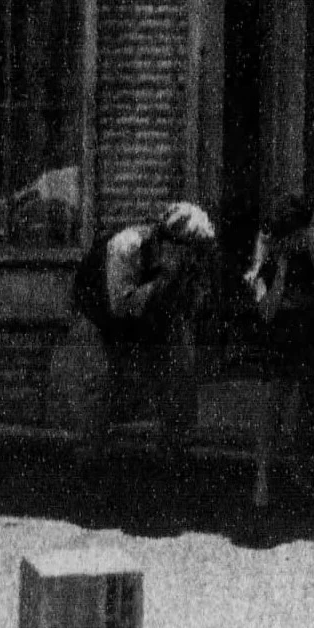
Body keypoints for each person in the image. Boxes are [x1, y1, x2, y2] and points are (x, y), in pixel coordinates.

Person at [67, 199, 217, 481]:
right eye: (189, 253)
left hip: (149, 316)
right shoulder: (127, 246)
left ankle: (174, 457)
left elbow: (192, 309)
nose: (193, 260)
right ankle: (89, 464)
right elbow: (120, 305)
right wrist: (164, 282)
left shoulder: (191, 262)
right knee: (100, 385)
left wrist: (189, 291)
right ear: (170, 244)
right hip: (100, 315)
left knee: (178, 375)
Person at [244, 195, 314, 511]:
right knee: (274, 402)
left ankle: (301, 467)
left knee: (312, 403)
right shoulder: (266, 254)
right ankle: (262, 477)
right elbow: (266, 311)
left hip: (311, 329)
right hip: (282, 330)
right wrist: (282, 270)